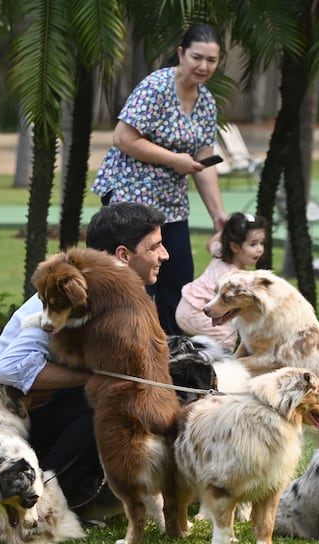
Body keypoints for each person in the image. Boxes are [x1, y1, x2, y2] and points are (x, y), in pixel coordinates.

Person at [0, 202, 169, 512]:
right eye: (155, 246)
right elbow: (9, 368)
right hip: (1, 423)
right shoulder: (68, 294)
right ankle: (37, 502)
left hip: (42, 413)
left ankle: (80, 496)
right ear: (123, 255)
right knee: (105, 401)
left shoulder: (120, 294)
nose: (165, 255)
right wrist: (96, 378)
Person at [91, 23, 228, 335]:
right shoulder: (156, 87)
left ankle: (171, 362)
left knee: (177, 281)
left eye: (212, 60)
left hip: (171, 205)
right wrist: (175, 159)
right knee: (133, 284)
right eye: (197, 57)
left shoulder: (206, 102)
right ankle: (125, 352)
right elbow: (123, 137)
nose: (203, 66)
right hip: (131, 199)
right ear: (181, 53)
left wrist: (219, 216)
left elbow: (203, 162)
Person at [175, 212, 267, 350]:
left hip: (187, 306)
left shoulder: (220, 252)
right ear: (235, 247)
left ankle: (198, 353)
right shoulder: (233, 277)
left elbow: (210, 243)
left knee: (217, 338)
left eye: (261, 243)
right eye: (253, 244)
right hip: (195, 312)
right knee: (226, 337)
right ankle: (221, 368)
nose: (259, 249)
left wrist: (227, 229)